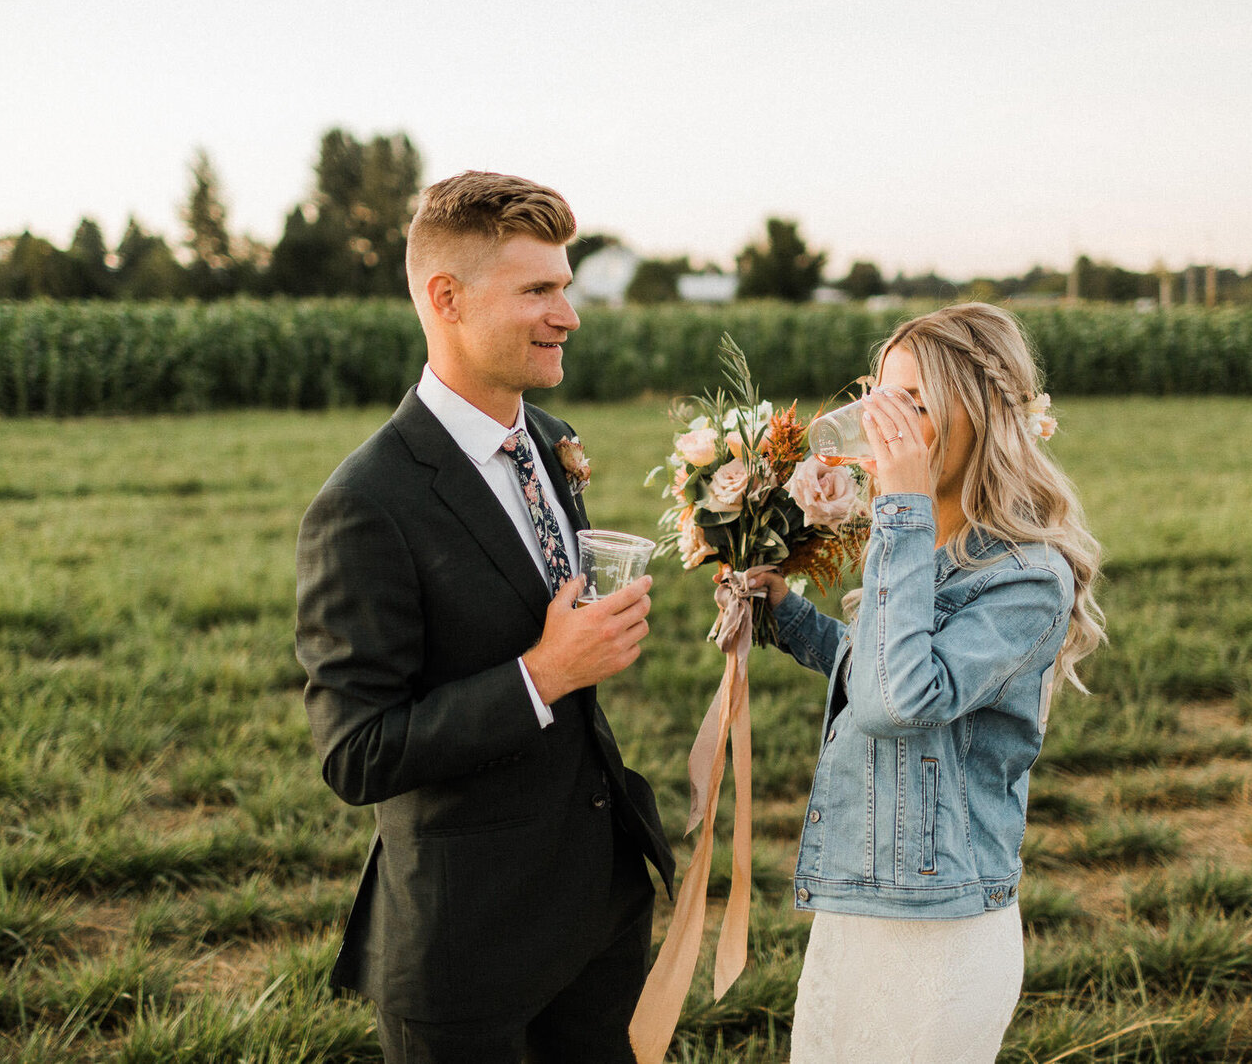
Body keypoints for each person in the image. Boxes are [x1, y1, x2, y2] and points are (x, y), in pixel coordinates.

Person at [294, 171, 675, 1064]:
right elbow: (357, 752)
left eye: (565, 287)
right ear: (447, 299)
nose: (568, 313)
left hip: (596, 905)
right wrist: (543, 674)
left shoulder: (547, 440)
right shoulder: (365, 504)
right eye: (538, 290)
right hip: (468, 949)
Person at [747, 303, 1105, 1064]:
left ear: (979, 416)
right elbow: (882, 663)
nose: (884, 426)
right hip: (860, 903)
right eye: (882, 398)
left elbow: (898, 701)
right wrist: (789, 615)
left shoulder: (1029, 579)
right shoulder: (927, 541)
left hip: (940, 931)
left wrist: (900, 510)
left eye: (914, 404)